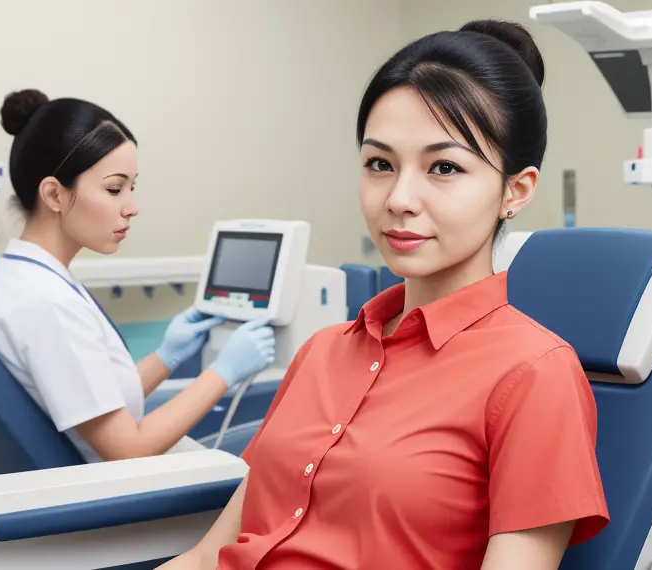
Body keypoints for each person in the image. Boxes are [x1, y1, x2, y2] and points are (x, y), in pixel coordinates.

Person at [159, 19, 609, 570]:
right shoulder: (321, 353)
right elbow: (207, 558)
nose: (398, 198)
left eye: (443, 167)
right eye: (380, 164)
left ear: (515, 192)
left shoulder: (534, 375)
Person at [0, 89, 276, 463]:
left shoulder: (23, 278)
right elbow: (127, 449)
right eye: (114, 189)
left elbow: (93, 397)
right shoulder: (47, 304)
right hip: (116, 510)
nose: (131, 208)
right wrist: (223, 372)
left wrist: (167, 355)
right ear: (54, 194)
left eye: (131, 188)